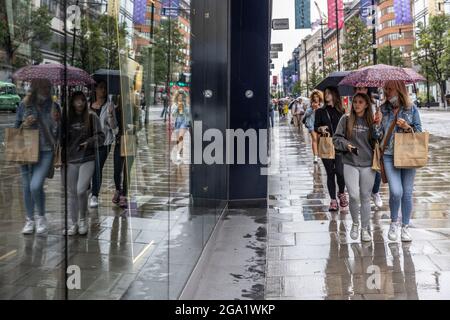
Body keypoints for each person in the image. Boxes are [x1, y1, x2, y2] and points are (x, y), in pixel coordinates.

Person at [333, 93, 383, 242]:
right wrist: (346, 145)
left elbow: (378, 139)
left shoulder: (371, 120)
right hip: (350, 162)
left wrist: (377, 126)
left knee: (366, 197)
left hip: (368, 164)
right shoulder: (346, 119)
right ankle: (355, 223)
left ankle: (365, 228)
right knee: (354, 195)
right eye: (355, 102)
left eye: (360, 102)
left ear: (367, 104)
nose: (357, 105)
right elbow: (336, 138)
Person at [15, 79, 61, 235]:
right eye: (43, 86)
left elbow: (59, 132)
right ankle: (30, 220)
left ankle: (41, 217)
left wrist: (56, 123)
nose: (47, 89)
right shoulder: (24, 104)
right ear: (35, 86)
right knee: (28, 187)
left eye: (49, 86)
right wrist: (25, 124)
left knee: (35, 185)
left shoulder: (55, 106)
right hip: (26, 149)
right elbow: (16, 129)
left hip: (46, 150)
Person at [380, 80, 422, 242]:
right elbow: (378, 136)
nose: (387, 92)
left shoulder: (411, 109)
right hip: (389, 155)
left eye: (390, 89)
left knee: (407, 193)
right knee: (396, 191)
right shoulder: (383, 109)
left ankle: (405, 226)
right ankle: (393, 222)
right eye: (386, 89)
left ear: (399, 90)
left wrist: (407, 127)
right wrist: (376, 125)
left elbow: (418, 132)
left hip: (408, 154)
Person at [65, 92, 105, 235]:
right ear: (72, 102)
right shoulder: (67, 118)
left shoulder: (92, 116)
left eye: (82, 100)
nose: (80, 103)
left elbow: (101, 136)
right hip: (70, 160)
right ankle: (74, 223)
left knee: (81, 190)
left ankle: (83, 220)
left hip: (87, 158)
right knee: (72, 193)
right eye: (76, 100)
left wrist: (89, 142)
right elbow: (59, 138)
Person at [314, 86, 348, 212]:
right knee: (330, 173)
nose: (326, 95)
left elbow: (346, 127)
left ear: (334, 95)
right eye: (325, 93)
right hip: (326, 144)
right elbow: (315, 127)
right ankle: (333, 201)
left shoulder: (342, 111)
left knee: (340, 171)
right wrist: (320, 129)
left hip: (339, 145)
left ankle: (341, 193)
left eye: (329, 93)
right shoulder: (320, 111)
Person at [89, 80, 117, 208]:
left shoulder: (109, 105)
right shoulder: (89, 105)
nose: (103, 91)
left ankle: (95, 195)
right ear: (95, 89)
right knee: (90, 168)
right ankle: (90, 189)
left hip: (105, 142)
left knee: (97, 167)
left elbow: (114, 126)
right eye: (100, 88)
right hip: (89, 142)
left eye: (105, 88)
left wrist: (111, 115)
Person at [354, 86, 383, 209]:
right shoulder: (353, 104)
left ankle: (375, 192)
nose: (361, 90)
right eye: (358, 88)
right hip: (358, 142)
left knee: (376, 169)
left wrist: (378, 121)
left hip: (372, 141)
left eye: (364, 88)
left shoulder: (375, 104)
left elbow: (380, 127)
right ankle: (365, 194)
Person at [112, 95, 135, 209]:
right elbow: (113, 127)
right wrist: (111, 115)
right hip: (119, 141)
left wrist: (134, 127)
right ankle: (118, 190)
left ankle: (124, 195)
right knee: (117, 170)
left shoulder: (134, 108)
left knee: (127, 171)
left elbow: (139, 124)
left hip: (130, 140)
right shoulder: (115, 110)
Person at [304, 90, 324, 164]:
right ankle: (315, 156)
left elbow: (324, 114)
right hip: (311, 124)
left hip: (319, 125)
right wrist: (312, 109)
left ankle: (318, 154)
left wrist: (319, 108)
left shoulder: (322, 105)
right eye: (314, 97)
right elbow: (306, 114)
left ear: (319, 97)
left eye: (317, 97)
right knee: (314, 139)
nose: (316, 98)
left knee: (318, 140)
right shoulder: (311, 105)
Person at [172, 90, 192, 161]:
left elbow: (188, 114)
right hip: (177, 122)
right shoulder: (174, 104)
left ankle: (178, 154)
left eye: (182, 97)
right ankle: (180, 150)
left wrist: (184, 107)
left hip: (184, 122)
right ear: (177, 97)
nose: (180, 98)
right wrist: (178, 107)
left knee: (180, 137)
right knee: (178, 139)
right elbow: (173, 114)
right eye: (179, 97)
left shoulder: (186, 105)